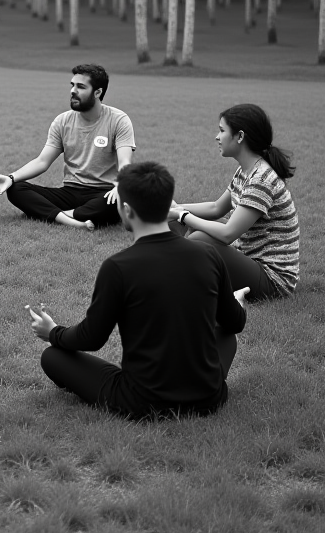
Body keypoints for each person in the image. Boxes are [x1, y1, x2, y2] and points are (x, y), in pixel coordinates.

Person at [27, 162, 249, 420]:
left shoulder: (118, 267)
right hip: (209, 399)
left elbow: (92, 337)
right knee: (226, 335)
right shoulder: (208, 254)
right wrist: (236, 301)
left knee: (53, 357)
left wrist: (53, 332)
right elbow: (234, 323)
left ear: (127, 210)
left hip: (141, 402)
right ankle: (198, 387)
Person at [169, 104, 299, 300]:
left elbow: (228, 234)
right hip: (249, 258)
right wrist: (173, 208)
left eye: (222, 131)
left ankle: (175, 275)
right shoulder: (246, 170)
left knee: (199, 240)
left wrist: (182, 215)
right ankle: (167, 268)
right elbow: (216, 208)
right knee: (190, 227)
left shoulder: (261, 180)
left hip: (272, 280)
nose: (217, 137)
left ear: (240, 136)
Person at [0, 64, 135, 230]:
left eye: (81, 87)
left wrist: (120, 186)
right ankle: (73, 219)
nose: (73, 91)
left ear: (98, 92)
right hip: (70, 192)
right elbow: (42, 161)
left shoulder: (118, 120)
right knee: (16, 188)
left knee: (116, 201)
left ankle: (53, 215)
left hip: (103, 192)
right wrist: (11, 177)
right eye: (72, 85)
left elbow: (125, 162)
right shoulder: (62, 121)